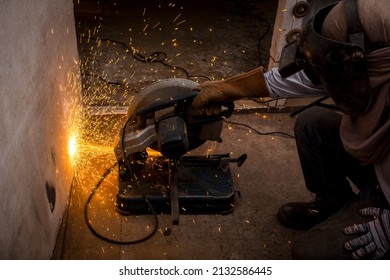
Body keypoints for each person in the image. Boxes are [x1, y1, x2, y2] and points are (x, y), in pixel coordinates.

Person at [191, 0, 390, 259]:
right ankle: (332, 204)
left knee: (309, 254)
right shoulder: (382, 64)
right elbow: (309, 78)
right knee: (313, 123)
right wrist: (229, 88)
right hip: (382, 167)